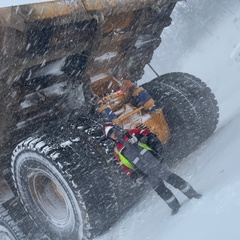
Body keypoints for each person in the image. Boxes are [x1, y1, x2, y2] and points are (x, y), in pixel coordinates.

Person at [102, 123, 202, 215]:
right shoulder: (117, 151)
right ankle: (175, 207)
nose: (113, 135)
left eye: (112, 131)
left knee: (173, 179)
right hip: (146, 173)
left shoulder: (130, 133)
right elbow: (125, 167)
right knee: (161, 190)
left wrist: (139, 138)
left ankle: (193, 194)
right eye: (110, 135)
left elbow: (147, 134)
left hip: (155, 163)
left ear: (115, 129)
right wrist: (134, 176)